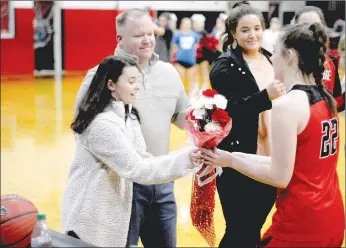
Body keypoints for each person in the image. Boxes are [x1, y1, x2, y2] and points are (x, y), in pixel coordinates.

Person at [202, 22, 345, 247]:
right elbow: (288, 163)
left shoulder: (287, 105)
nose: (271, 57)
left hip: (301, 224)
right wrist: (229, 157)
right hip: (332, 216)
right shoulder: (324, 97)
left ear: (289, 55)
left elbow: (279, 175)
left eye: (275, 51)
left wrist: (230, 160)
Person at [74, 9, 191, 248]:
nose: (148, 40)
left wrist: (209, 123)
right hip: (120, 188)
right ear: (120, 40)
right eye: (139, 35)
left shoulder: (168, 73)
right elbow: (83, 128)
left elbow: (181, 115)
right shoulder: (98, 77)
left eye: (150, 33)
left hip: (161, 181)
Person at [61, 56, 202, 247]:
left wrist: (188, 155)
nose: (137, 86)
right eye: (131, 81)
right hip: (88, 219)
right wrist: (186, 159)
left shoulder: (129, 116)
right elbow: (137, 169)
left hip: (108, 214)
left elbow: (143, 158)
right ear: (111, 84)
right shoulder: (101, 125)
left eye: (138, 80)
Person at [208, 2, 285, 247]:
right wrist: (265, 96)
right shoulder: (225, 65)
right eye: (245, 30)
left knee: (254, 226)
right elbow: (225, 110)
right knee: (240, 228)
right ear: (233, 33)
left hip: (271, 154)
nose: (252, 35)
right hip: (239, 157)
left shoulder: (271, 58)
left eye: (256, 28)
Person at [294, 6, 344, 112]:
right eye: (304, 26)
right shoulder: (286, 61)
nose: (311, 30)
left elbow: (337, 103)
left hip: (324, 125)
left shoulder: (331, 61)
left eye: (316, 25)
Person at [172, 17, 199, 98]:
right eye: (184, 23)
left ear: (191, 25)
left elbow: (196, 47)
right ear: (181, 24)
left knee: (191, 81)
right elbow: (174, 47)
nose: (186, 25)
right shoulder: (178, 34)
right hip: (180, 60)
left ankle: (191, 98)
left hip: (191, 61)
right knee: (180, 81)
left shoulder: (195, 35)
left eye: (188, 23)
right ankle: (180, 98)